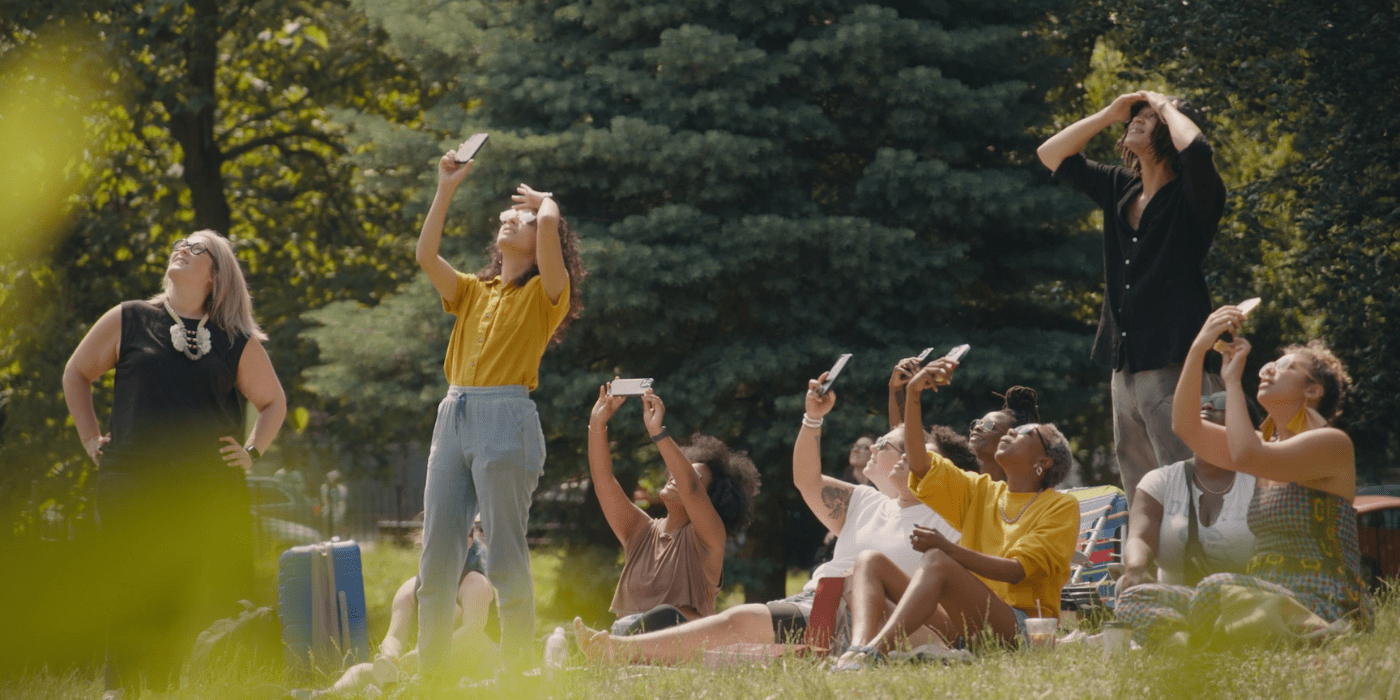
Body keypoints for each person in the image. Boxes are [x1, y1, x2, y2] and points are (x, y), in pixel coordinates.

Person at [572, 372, 978, 664]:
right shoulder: (867, 502)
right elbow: (805, 479)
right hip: (819, 601)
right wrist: (812, 418)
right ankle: (618, 653)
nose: (880, 448)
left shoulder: (956, 509)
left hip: (850, 610)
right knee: (746, 653)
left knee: (743, 623)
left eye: (896, 445)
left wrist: (659, 434)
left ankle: (618, 650)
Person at [63, 230, 287, 698]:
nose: (182, 247)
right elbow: (77, 372)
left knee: (175, 597)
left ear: (216, 274)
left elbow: (273, 403)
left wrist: (251, 452)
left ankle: (160, 690)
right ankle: (119, 691)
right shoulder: (129, 318)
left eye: (197, 246)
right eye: (181, 242)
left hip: (203, 492)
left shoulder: (234, 340)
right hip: (130, 480)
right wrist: (89, 438)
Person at [413, 145, 586, 674]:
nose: (512, 217)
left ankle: (516, 676)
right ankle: (431, 678)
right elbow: (425, 255)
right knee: (435, 560)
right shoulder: (472, 291)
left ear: (544, 241)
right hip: (454, 415)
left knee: (506, 558)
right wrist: (446, 187)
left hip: (506, 418)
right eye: (509, 215)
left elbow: (549, 227)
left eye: (525, 219)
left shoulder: (546, 292)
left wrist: (548, 203)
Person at [1115, 306, 1373, 645]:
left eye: (1285, 366)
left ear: (1312, 391)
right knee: (1137, 597)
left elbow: (1248, 454)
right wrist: (1199, 347)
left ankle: (1199, 642)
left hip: (1321, 597)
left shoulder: (1332, 444)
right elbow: (1185, 426)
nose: (1268, 369)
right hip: (1256, 596)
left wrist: (1232, 382)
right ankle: (1195, 645)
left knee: (1215, 587)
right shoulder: (1265, 448)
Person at [1037, 91, 1227, 504]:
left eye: (1150, 118)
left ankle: (1197, 564)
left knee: (1186, 474)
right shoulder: (1120, 185)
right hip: (1124, 359)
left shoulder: (1196, 194)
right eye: (1134, 117)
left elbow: (1197, 149)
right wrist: (1110, 112)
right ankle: (1148, 565)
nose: (1136, 121)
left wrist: (1165, 106)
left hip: (1175, 356)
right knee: (1140, 478)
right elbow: (1051, 154)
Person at [834, 359, 1078, 667]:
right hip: (965, 625)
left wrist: (948, 549)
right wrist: (912, 395)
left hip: (1019, 630)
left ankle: (873, 653)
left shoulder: (1061, 506)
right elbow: (920, 464)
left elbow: (1016, 571)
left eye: (1027, 433)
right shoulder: (982, 490)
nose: (1012, 432)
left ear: (1043, 462)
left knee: (938, 559)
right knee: (868, 560)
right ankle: (855, 651)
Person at [587, 382, 760, 635]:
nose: (675, 477)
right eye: (679, 471)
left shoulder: (709, 539)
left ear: (708, 501)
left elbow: (689, 487)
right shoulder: (639, 530)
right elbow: (603, 481)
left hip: (678, 650)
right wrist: (597, 423)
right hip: (626, 641)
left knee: (664, 618)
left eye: (693, 475)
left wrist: (657, 432)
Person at [295, 523, 497, 698]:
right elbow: (395, 636)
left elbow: (472, 633)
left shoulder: (474, 583)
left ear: (468, 542)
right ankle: (323, 696)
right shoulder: (410, 589)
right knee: (363, 671)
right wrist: (390, 657)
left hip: (479, 666)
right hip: (432, 669)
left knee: (482, 647)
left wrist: (424, 654)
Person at [1119, 392, 1257, 590]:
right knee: (1133, 596)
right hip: (1175, 599)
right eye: (1202, 403)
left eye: (1221, 403)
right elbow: (1139, 538)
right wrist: (1136, 568)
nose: (1207, 407)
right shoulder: (1160, 481)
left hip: (1244, 599)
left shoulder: (1262, 482)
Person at [967, 387, 1042, 481]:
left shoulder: (1026, 493)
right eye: (978, 423)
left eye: (989, 425)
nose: (977, 428)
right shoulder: (959, 482)